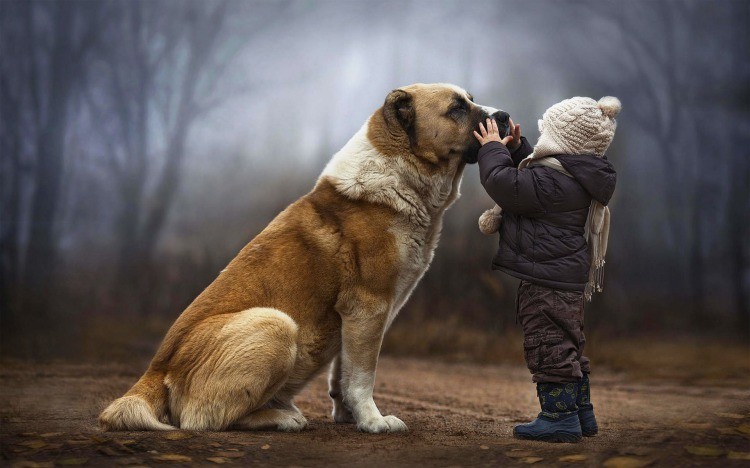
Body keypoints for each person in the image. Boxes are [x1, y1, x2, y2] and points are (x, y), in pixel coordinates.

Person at [472, 96, 620, 443]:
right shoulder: (574, 176)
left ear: (563, 142)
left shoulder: (552, 184)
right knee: (568, 344)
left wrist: (492, 150)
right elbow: (536, 176)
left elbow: (503, 183)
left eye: (546, 135)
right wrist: (517, 149)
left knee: (548, 344)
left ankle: (558, 418)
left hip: (546, 281)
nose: (541, 142)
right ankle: (581, 413)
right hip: (564, 278)